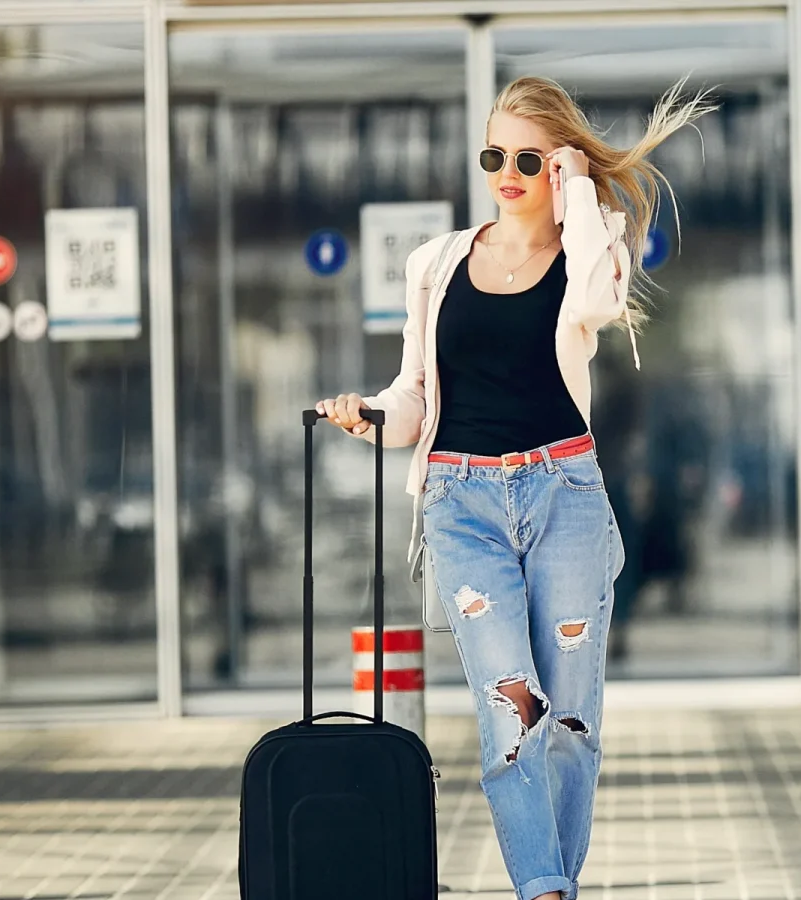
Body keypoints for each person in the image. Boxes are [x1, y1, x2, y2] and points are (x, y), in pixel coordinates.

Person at [316, 75, 715, 900]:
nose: (507, 172)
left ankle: (549, 887)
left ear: (558, 165)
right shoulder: (436, 263)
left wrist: (575, 192)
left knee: (569, 721)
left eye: (529, 159)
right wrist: (369, 417)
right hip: (462, 504)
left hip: (563, 493)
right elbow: (416, 394)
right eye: (494, 153)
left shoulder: (585, 254)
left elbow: (604, 302)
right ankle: (543, 886)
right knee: (511, 716)